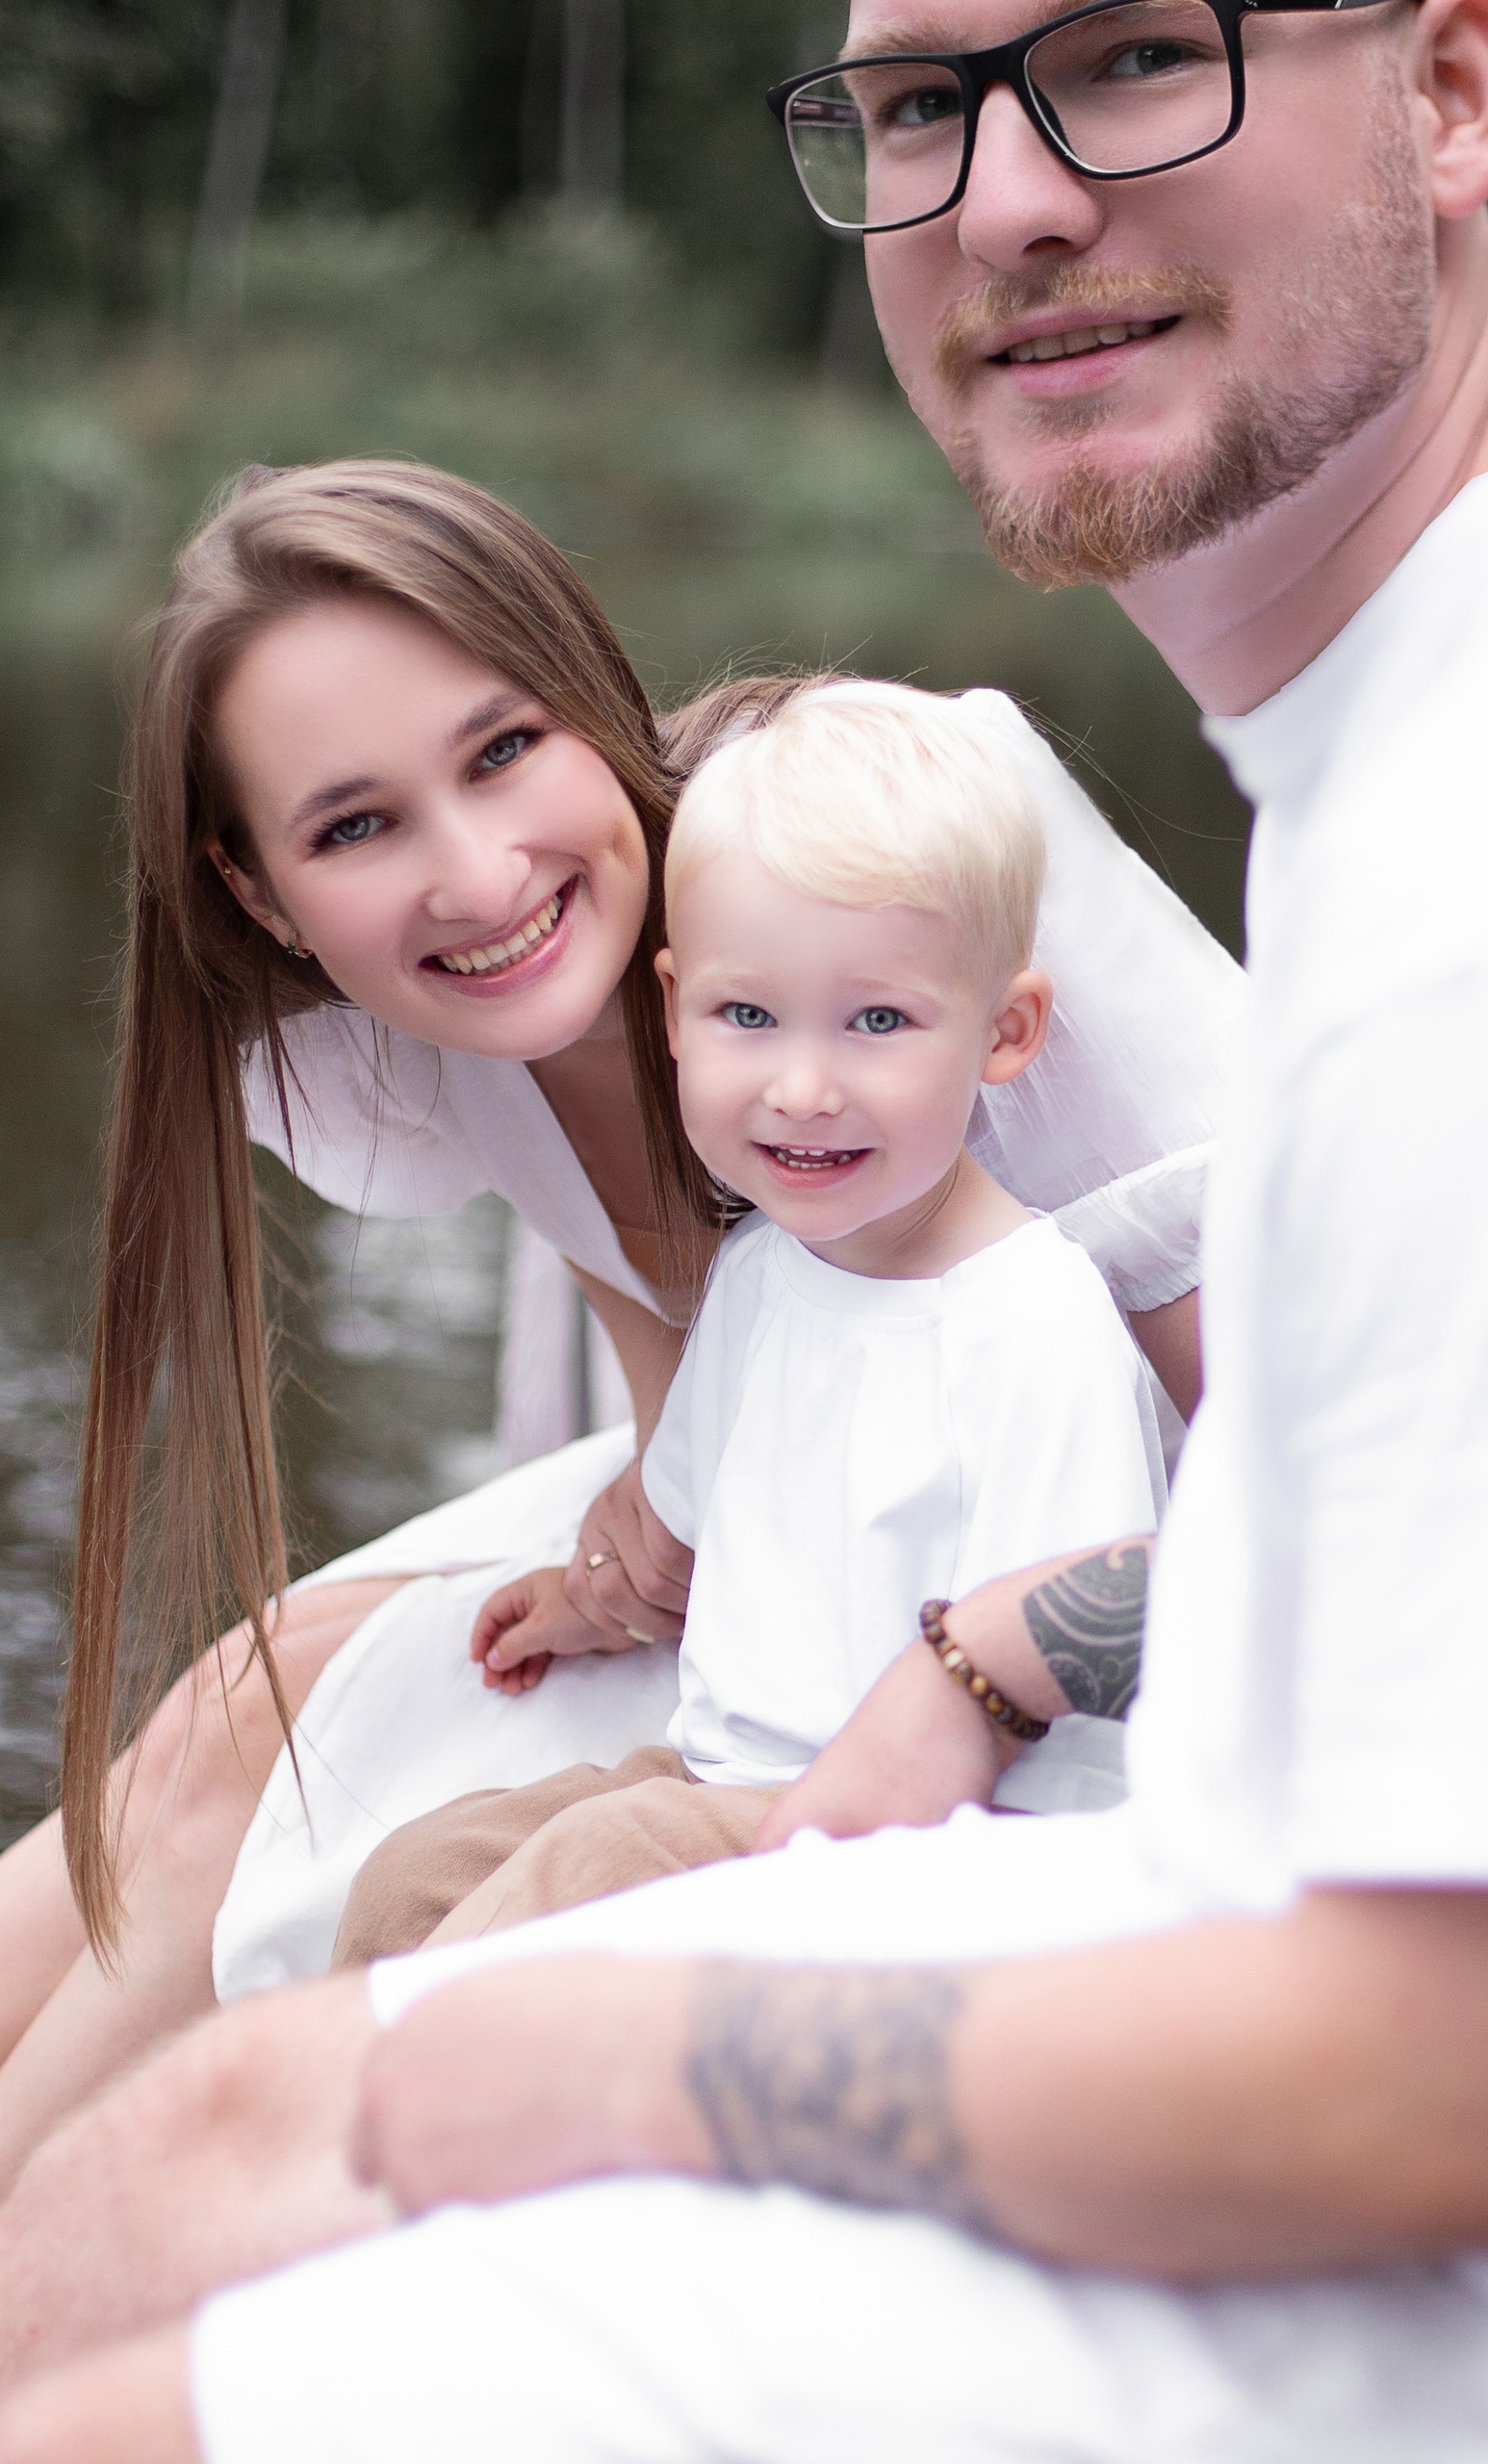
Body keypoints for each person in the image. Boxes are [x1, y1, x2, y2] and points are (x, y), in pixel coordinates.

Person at [0, 0, 1488, 2456]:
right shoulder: (1472, 722)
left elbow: (1452, 2074)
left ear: (1449, 91)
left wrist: (643, 2036)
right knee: (233, 2076)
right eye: (918, 103)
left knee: (207, 2246)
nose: (1005, 197)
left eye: (1137, 57)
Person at [0, 469, 1239, 2424]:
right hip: (808, 1577)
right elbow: (704, 1416)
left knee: (321, 1770)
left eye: (504, 747)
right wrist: (620, 1549)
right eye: (355, 825)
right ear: (261, 890)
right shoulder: (466, 1017)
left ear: (588, 689)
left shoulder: (907, 850)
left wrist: (972, 1668)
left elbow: (1357, 1501)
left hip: (1077, 1644)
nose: (476, 874)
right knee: (244, 1708)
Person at [331, 680, 1168, 1959]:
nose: (803, 1086)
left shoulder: (1030, 1320)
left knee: (594, 1866)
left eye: (878, 1020)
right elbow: (684, 1528)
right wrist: (580, 1603)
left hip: (918, 1843)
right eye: (748, 1016)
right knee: (419, 1876)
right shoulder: (763, 1275)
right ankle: (369, 2057)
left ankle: (385, 2080)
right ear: (675, 1011)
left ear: (1005, 1033)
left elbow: (1073, 1656)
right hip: (714, 1783)